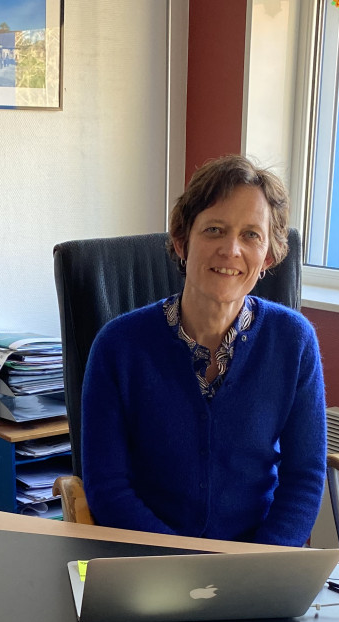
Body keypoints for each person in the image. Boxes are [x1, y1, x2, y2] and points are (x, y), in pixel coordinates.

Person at [80, 154, 326, 547]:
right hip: (147, 557)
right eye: (214, 229)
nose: (231, 249)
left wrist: (264, 564)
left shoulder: (294, 341)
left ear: (269, 256)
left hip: (256, 562)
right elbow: (108, 487)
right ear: (182, 242)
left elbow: (305, 476)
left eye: (251, 235)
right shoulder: (118, 346)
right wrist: (185, 566)